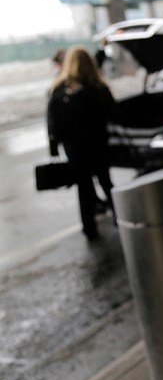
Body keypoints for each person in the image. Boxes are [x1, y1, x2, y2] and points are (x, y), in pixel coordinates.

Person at [47, 46, 116, 241]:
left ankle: (89, 229)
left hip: (74, 148)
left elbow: (52, 120)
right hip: (97, 144)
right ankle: (121, 219)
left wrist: (54, 145)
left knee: (84, 187)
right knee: (106, 182)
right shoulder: (98, 87)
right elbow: (113, 113)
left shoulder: (58, 89)